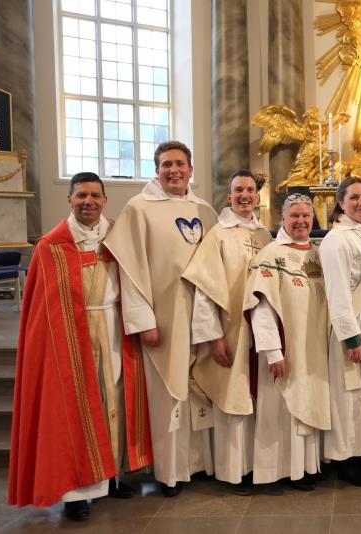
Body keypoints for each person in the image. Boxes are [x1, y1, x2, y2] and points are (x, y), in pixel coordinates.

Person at [7, 173, 153, 521]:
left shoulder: (118, 236)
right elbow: (42, 309)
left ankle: (113, 476)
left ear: (105, 201)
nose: (89, 201)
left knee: (114, 400)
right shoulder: (51, 245)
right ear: (69, 200)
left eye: (95, 196)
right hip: (72, 335)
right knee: (75, 407)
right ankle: (76, 493)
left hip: (116, 328)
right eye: (81, 195)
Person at [105, 141, 217, 497]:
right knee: (169, 394)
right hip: (164, 318)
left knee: (201, 388)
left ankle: (200, 465)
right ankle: (171, 472)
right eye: (167, 164)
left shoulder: (204, 209)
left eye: (180, 164)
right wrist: (144, 321)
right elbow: (129, 268)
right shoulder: (139, 209)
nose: (174, 170)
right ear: (156, 170)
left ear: (191, 170)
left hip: (202, 315)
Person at [182, 170, 272, 494]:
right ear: (229, 196)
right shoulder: (218, 235)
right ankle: (234, 470)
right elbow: (205, 291)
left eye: (250, 190)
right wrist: (214, 337)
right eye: (238, 190)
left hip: (261, 333)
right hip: (232, 330)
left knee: (257, 396)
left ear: (257, 196)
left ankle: (258, 466)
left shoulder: (266, 236)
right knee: (234, 397)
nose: (245, 195)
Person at [243, 194, 331, 491]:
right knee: (281, 408)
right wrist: (272, 352)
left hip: (314, 348)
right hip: (285, 348)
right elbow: (261, 307)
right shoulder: (271, 255)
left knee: (310, 398)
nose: (301, 221)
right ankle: (278, 470)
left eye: (306, 216)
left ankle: (307, 466)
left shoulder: (318, 253)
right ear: (283, 219)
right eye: (294, 216)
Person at [318, 176, 361, 487]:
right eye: (354, 197)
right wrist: (351, 337)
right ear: (340, 203)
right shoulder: (336, 239)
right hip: (352, 327)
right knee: (351, 394)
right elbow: (338, 292)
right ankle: (346, 458)